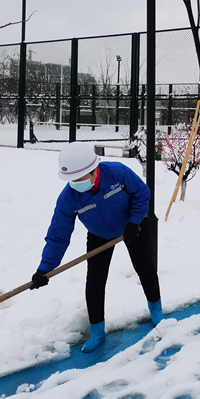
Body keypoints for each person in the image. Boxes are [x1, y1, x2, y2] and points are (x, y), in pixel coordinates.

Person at [30, 142, 164, 352]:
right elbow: (58, 235)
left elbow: (142, 193)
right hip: (100, 234)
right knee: (95, 281)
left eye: (80, 178)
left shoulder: (117, 173)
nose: (76, 183)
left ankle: (157, 313)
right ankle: (97, 332)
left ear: (94, 170)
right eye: (72, 179)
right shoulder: (68, 198)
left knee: (144, 268)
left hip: (133, 226)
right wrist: (44, 269)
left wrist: (134, 220)